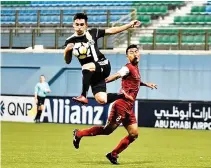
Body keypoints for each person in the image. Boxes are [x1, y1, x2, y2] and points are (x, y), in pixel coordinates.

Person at [72, 44, 157, 164]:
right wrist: (104, 80)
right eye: (131, 52)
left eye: (136, 51)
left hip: (129, 107)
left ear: (140, 54)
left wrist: (145, 84)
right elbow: (118, 75)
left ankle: (113, 154)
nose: (134, 53)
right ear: (127, 56)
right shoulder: (127, 67)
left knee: (134, 134)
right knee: (107, 131)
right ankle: (79, 133)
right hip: (121, 105)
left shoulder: (135, 69)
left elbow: (134, 81)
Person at [64, 13, 141, 105]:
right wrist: (67, 50)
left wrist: (129, 25)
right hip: (91, 74)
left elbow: (111, 30)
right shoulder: (70, 41)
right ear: (73, 25)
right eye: (77, 25)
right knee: (101, 99)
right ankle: (122, 95)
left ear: (86, 25)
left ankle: (83, 95)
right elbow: (67, 61)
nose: (79, 27)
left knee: (87, 66)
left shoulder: (92, 33)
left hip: (103, 65)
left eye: (82, 24)